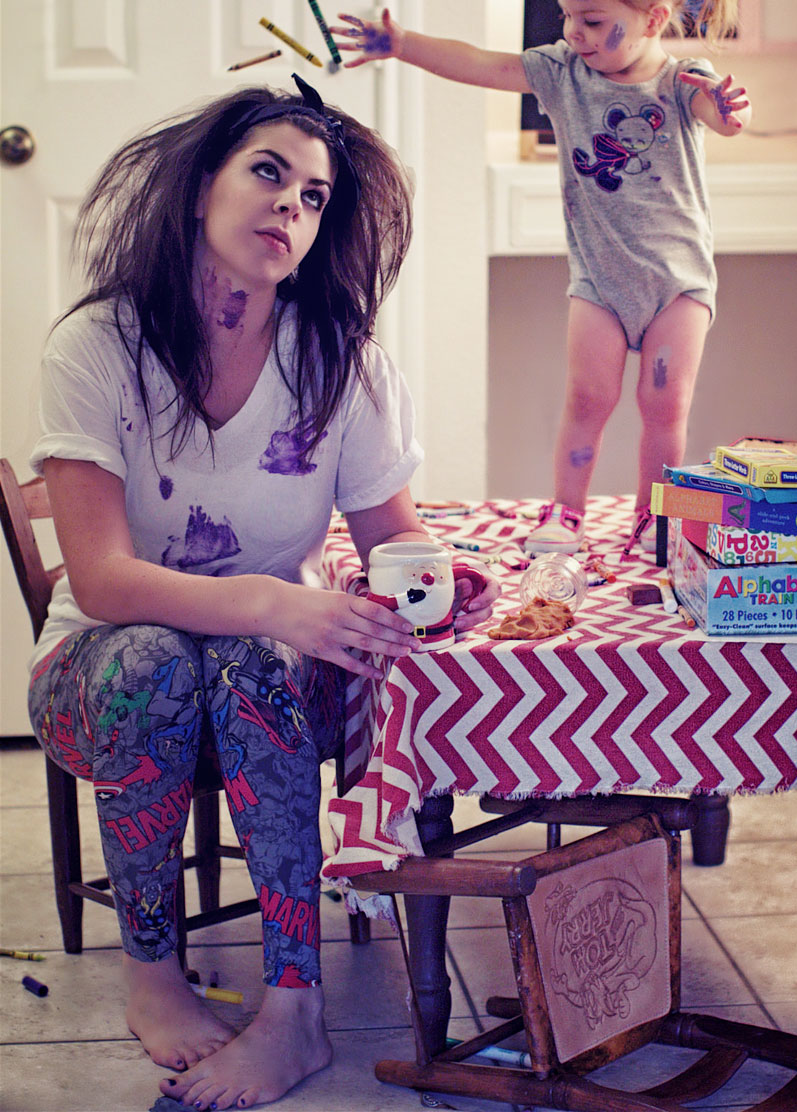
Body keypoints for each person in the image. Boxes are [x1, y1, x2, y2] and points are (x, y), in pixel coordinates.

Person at [26, 77, 498, 1111]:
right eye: (269, 173)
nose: (291, 204)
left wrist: (436, 578)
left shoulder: (342, 362)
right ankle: (154, 976)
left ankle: (295, 1010)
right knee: (159, 660)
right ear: (203, 185)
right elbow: (101, 579)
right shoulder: (96, 346)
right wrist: (277, 602)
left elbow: (391, 537)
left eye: (314, 196)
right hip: (102, 675)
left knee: (246, 663)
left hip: (267, 682)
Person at [334, 0, 752, 557]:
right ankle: (566, 514)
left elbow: (720, 116)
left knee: (665, 406)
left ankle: (655, 519)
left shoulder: (682, 80)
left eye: (592, 21)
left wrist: (729, 110)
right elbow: (483, 65)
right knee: (587, 400)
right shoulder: (563, 74)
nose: (573, 32)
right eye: (567, 16)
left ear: (653, 19)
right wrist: (402, 43)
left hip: (678, 285)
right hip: (599, 282)